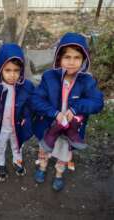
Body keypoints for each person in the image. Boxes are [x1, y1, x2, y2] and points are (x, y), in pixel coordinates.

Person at [32, 32, 104, 191]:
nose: (71, 62)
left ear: (84, 59)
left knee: (64, 152)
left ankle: (59, 174)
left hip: (70, 129)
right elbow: (36, 100)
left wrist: (76, 108)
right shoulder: (49, 77)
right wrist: (54, 113)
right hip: (49, 125)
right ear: (59, 58)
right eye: (67, 57)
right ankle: (42, 167)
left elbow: (97, 103)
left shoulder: (87, 81)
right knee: (44, 148)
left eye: (77, 57)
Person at [0, 43, 34, 182]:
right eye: (8, 70)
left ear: (21, 70)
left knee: (17, 146)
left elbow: (29, 105)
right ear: (0, 69)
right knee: (0, 146)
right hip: (1, 126)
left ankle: (18, 162)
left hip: (17, 125)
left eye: (16, 70)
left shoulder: (26, 87)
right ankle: (1, 165)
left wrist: (25, 117)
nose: (12, 75)